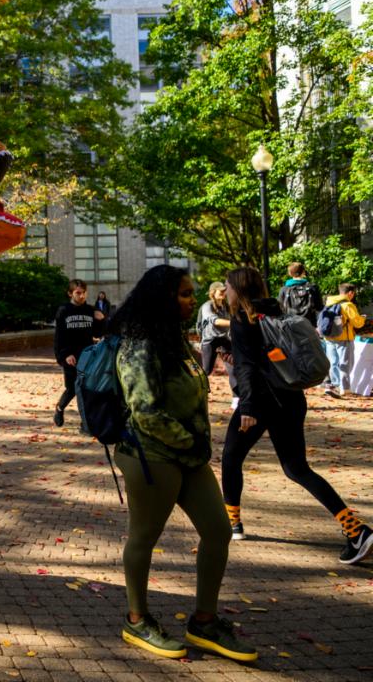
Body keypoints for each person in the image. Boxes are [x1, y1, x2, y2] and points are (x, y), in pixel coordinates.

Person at [111, 264, 255, 663]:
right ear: (162, 298)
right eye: (184, 294)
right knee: (144, 538)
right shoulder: (139, 344)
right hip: (151, 456)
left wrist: (194, 446)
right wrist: (190, 440)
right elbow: (146, 412)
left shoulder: (173, 338)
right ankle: (137, 620)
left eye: (192, 293)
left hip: (189, 457)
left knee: (218, 531)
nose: (193, 300)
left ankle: (204, 622)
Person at [221, 267, 372, 563]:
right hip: (290, 399)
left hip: (260, 402)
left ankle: (233, 524)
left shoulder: (242, 319)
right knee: (297, 469)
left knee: (231, 457)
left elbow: (247, 367)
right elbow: (262, 357)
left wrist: (248, 407)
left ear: (238, 289)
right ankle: (356, 531)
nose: (225, 291)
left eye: (228, 286)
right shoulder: (274, 312)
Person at [52, 278, 104, 429]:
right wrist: (64, 355)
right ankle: (59, 409)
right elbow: (59, 337)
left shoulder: (90, 310)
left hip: (87, 357)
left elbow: (97, 333)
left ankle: (85, 423)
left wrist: (101, 320)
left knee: (87, 389)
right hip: (70, 358)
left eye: (84, 293)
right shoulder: (64, 311)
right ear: (70, 293)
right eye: (78, 293)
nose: (81, 296)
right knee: (72, 389)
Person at [321, 283, 366, 399]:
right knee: (346, 363)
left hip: (329, 337)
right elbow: (358, 323)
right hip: (344, 338)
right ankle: (344, 388)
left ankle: (334, 386)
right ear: (350, 293)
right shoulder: (348, 305)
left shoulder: (329, 302)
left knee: (333, 362)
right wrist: (363, 318)